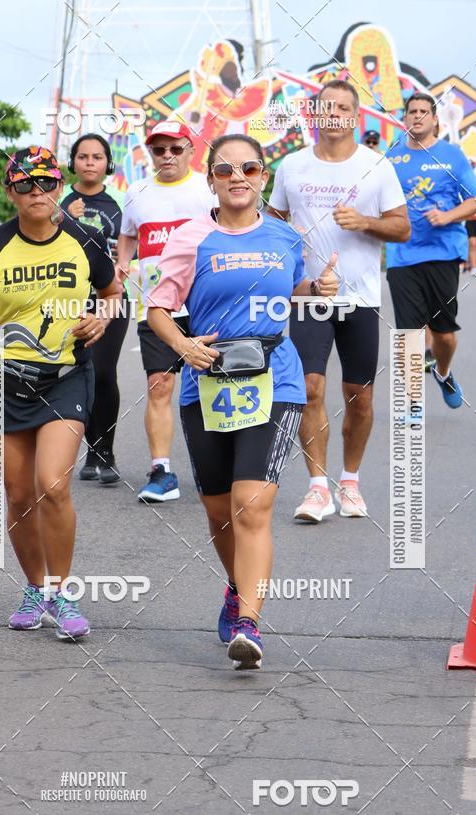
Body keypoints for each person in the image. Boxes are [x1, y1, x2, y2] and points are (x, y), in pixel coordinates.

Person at [146, 134, 338, 670]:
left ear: (262, 177)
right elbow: (159, 308)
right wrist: (184, 346)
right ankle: (237, 585)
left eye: (250, 167)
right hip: (205, 383)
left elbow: (291, 289)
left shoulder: (285, 236)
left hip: (274, 378)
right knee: (218, 512)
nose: (238, 176)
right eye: (226, 168)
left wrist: (314, 291)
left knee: (251, 506)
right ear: (210, 178)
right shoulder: (191, 238)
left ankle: (249, 623)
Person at [0, 146, 120, 639]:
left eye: (46, 183)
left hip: (65, 375)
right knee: (19, 493)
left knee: (53, 483)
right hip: (5, 380)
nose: (36, 193)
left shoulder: (85, 240)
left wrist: (100, 318)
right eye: (24, 184)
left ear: (59, 187)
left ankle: (64, 594)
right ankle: (36, 588)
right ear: (10, 192)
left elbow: (114, 295)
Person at [268, 79, 410, 523]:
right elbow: (273, 221)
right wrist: (288, 251)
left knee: (360, 396)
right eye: (326, 107)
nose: (334, 114)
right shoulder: (292, 166)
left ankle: (349, 481)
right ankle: (316, 488)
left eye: (342, 108)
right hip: (311, 295)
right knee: (310, 388)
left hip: (360, 298)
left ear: (355, 116)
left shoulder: (376, 166)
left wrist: (365, 222)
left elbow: (402, 228)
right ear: (315, 113)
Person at [117, 121, 214, 502]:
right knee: (160, 384)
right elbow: (128, 233)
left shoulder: (206, 189)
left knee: (211, 385)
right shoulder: (137, 192)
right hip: (157, 306)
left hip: (206, 301)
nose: (168, 156)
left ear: (191, 150)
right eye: (160, 150)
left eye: (175, 149)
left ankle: (215, 465)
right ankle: (162, 471)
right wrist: (122, 262)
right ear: (151, 154)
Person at [386, 92, 476, 409]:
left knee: (443, 333)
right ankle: (411, 402)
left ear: (434, 119)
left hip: (442, 253)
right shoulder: (391, 158)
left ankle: (443, 371)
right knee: (409, 334)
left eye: (423, 112)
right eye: (411, 111)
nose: (417, 116)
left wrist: (447, 216)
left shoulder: (451, 155)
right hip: (402, 254)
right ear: (405, 118)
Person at [59, 133, 128, 484]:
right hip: (70, 299)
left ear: (107, 163)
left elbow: (134, 240)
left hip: (111, 296)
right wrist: (63, 217)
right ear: (72, 162)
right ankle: (91, 449)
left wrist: (128, 263)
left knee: (103, 372)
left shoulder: (121, 200)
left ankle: (105, 452)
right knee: (78, 372)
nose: (89, 162)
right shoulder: (61, 201)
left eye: (97, 157)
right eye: (82, 157)